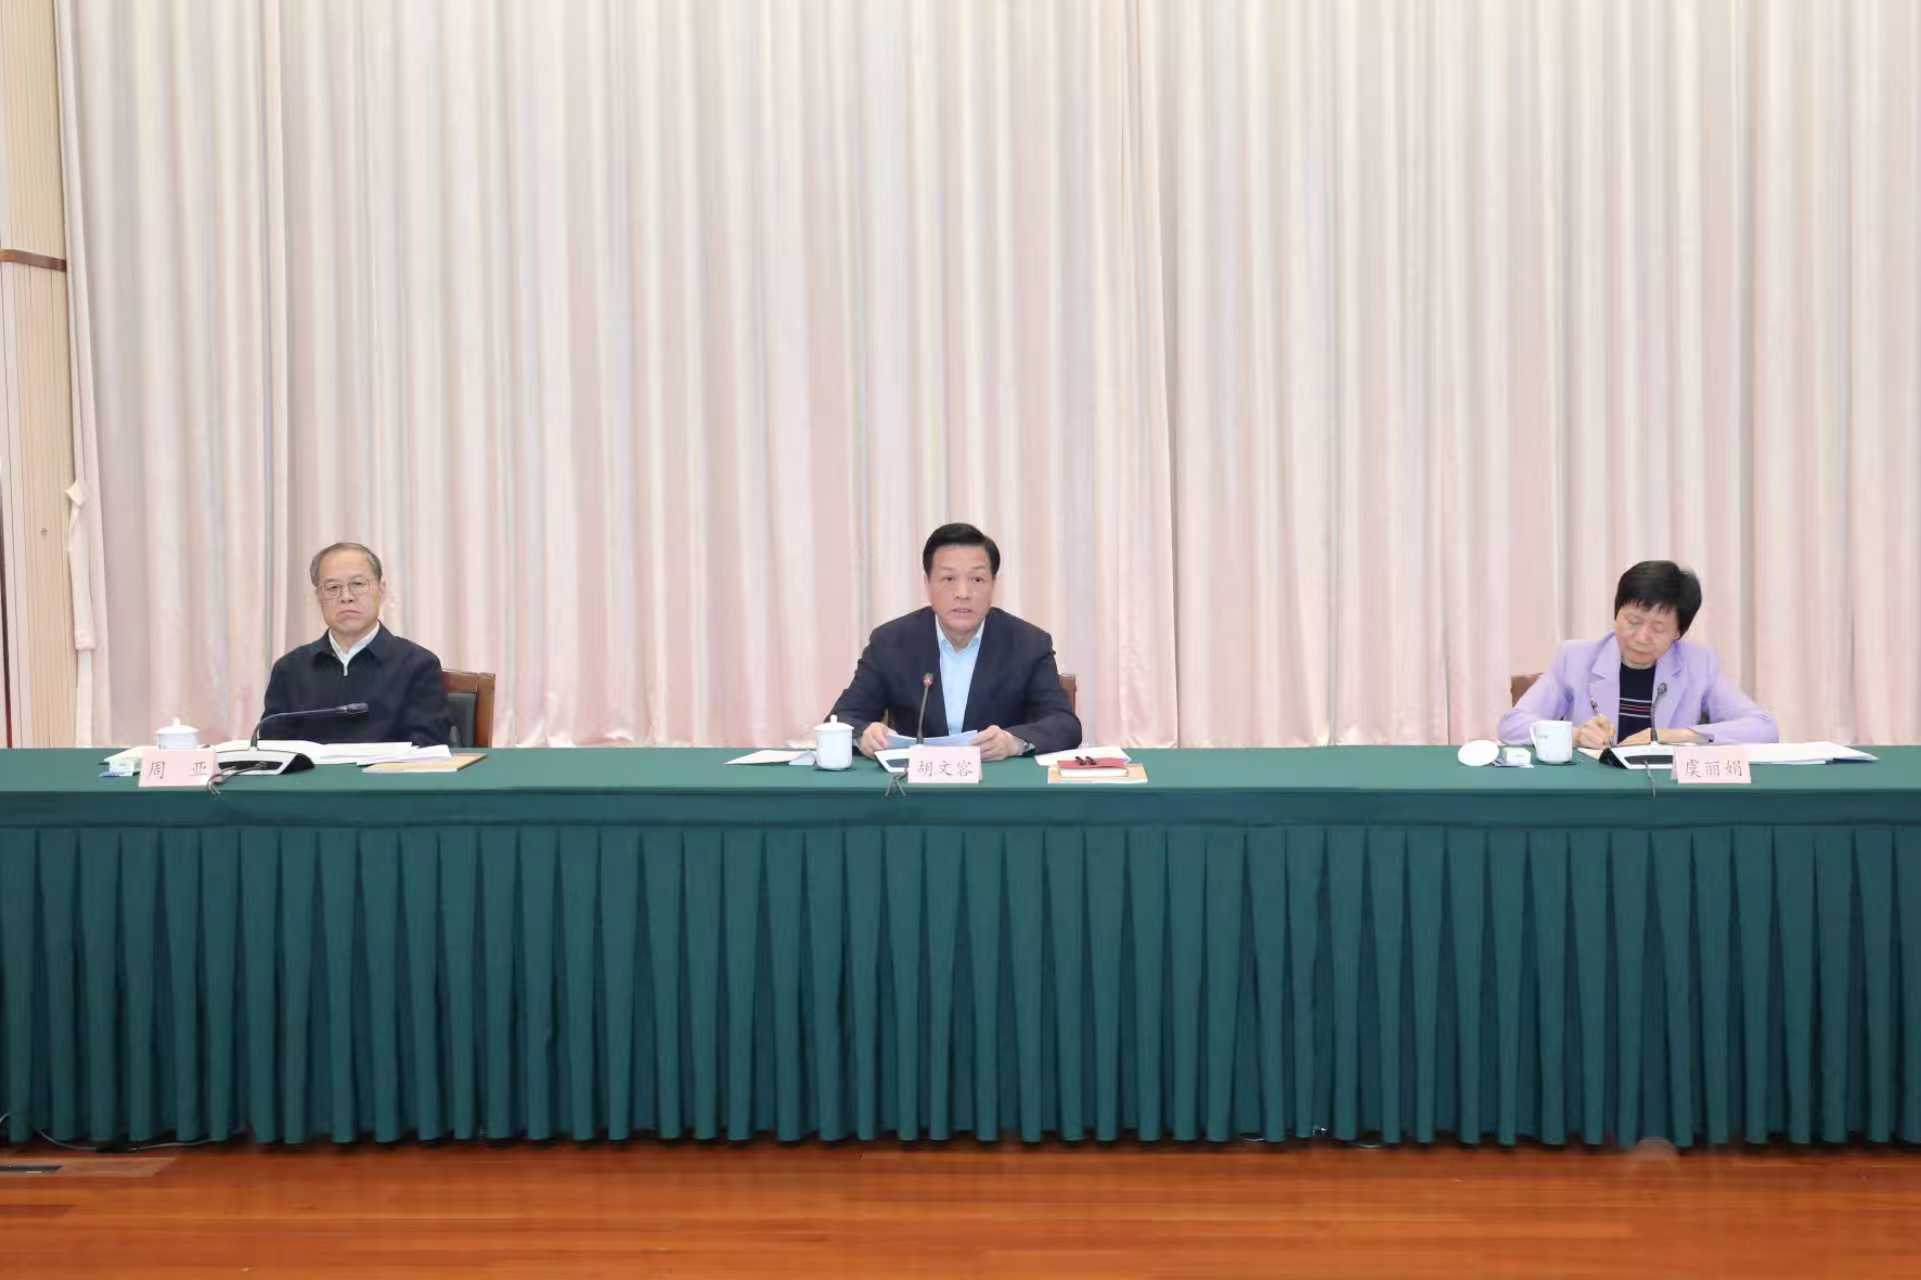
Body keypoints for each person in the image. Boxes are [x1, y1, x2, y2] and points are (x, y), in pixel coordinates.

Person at [829, 523, 1082, 761]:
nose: (963, 593)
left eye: (977, 579)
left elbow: (1064, 724)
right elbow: (842, 718)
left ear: (993, 584)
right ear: (928, 584)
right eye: (949, 579)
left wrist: (1013, 742)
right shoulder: (891, 643)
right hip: (915, 787)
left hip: (996, 785)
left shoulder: (1028, 644)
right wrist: (864, 734)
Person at [1500, 560, 1777, 750]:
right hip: (1593, 795)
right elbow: (1512, 726)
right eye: (1632, 621)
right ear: (1616, 613)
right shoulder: (1574, 658)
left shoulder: (1698, 663)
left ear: (1678, 632)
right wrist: (1576, 735)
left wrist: (1675, 736)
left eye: (1658, 627)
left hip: (1668, 797)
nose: (1642, 637)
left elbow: (1764, 729)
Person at [260, 542, 453, 746]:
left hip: (389, 768)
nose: (346, 597)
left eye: (358, 584)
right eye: (333, 587)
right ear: (319, 597)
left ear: (381, 590)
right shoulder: (290, 669)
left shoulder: (418, 664)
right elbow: (272, 745)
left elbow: (428, 745)